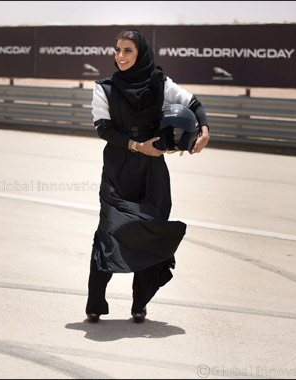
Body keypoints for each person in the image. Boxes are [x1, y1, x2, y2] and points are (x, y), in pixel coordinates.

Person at [86, 29, 210, 323]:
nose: (120, 56)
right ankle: (95, 301)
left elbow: (193, 103)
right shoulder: (104, 87)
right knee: (109, 231)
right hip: (119, 166)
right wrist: (136, 145)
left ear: (140, 53)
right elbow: (103, 128)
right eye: (117, 50)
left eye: (127, 50)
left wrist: (204, 130)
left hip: (153, 171)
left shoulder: (160, 82)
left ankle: (140, 303)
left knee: (150, 231)